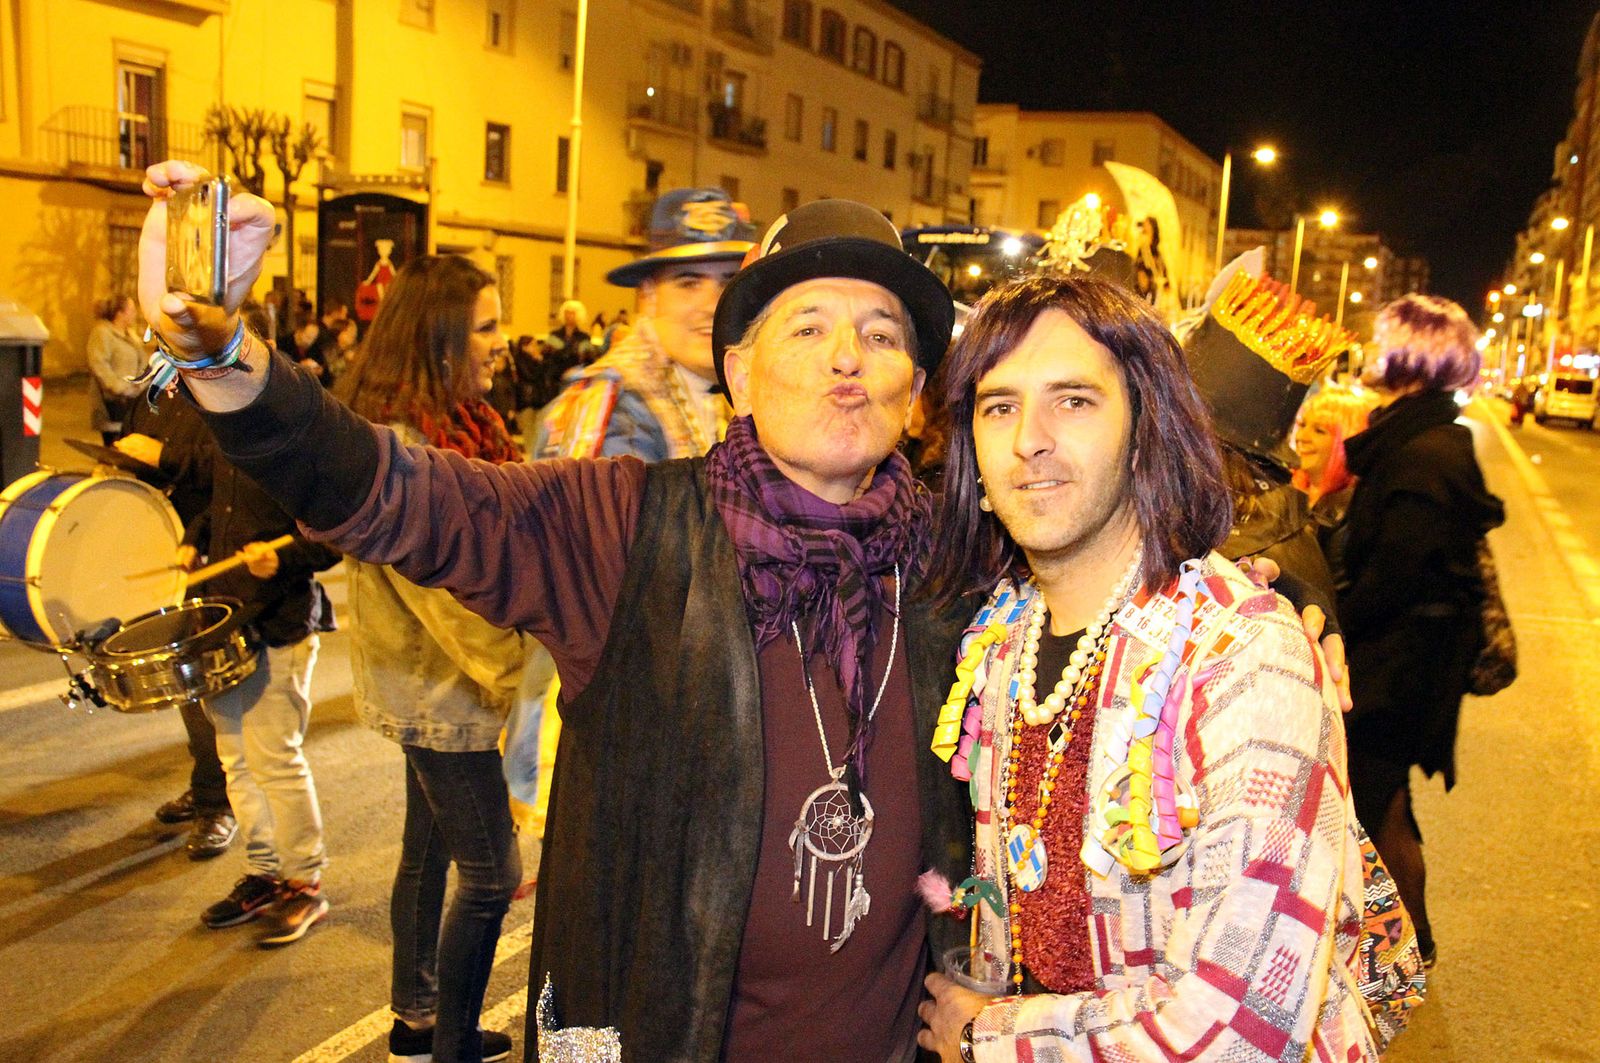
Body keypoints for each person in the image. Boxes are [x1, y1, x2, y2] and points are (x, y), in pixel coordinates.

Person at [139, 164, 967, 1062]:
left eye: (882, 334)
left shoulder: (951, 567)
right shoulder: (625, 527)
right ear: (739, 373)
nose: (848, 355)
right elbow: (399, 495)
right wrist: (223, 358)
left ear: (914, 386)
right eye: (808, 326)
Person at [916, 273, 1381, 1061]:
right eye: (1000, 406)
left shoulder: (1245, 659)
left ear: (1145, 432)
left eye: (1074, 400)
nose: (1030, 437)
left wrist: (988, 1037)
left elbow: (1244, 1031)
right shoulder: (1001, 640)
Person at [332, 256, 525, 1063]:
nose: (501, 342)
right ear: (441, 337)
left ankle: (415, 1016)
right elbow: (444, 592)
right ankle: (445, 1042)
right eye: (485, 326)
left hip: (434, 681)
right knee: (492, 873)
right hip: (442, 687)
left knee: (428, 849)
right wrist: (533, 666)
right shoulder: (407, 445)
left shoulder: (458, 425)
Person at [1338, 294, 1505, 970]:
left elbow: (1395, 576)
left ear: (1412, 354)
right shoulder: (1423, 437)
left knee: (1370, 804)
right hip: (1408, 661)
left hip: (1398, 669)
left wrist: (1328, 623)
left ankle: (1397, 953)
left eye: (1386, 341)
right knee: (1386, 803)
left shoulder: (1424, 451)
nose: (1376, 353)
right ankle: (1410, 944)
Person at [87, 294, 146, 444]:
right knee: (114, 447)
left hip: (131, 400)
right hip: (112, 403)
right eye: (131, 310)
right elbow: (99, 365)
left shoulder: (131, 336)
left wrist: (140, 385)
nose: (135, 314)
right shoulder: (102, 333)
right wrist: (120, 388)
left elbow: (142, 362)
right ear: (120, 313)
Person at [544, 298, 593, 369]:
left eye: (572, 313)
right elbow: (546, 357)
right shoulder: (554, 335)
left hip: (576, 375)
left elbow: (589, 360)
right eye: (566, 312)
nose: (568, 316)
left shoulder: (584, 337)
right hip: (556, 375)